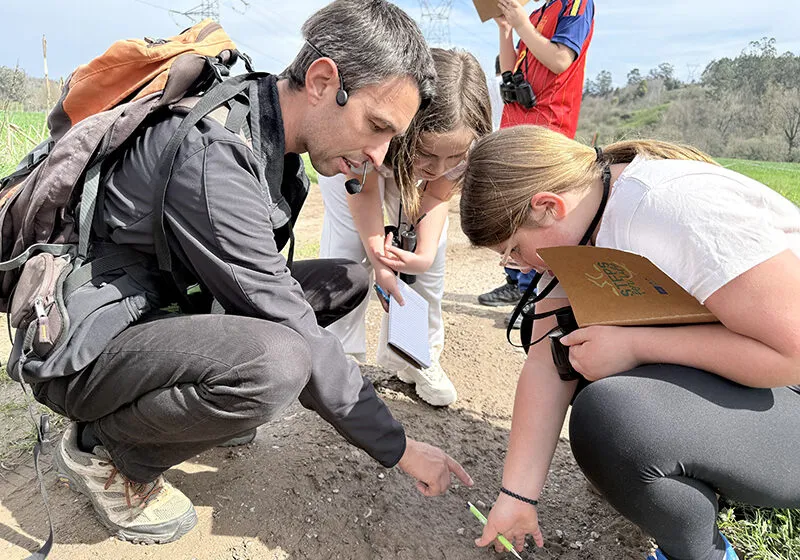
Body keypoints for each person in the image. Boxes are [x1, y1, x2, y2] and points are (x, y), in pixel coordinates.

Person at [28, 0, 473, 545]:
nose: (380, 156)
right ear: (322, 79)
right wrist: (398, 447)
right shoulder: (211, 155)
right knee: (279, 362)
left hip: (158, 310)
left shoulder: (264, 127)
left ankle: (195, 409)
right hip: (86, 349)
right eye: (376, 127)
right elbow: (286, 317)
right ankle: (107, 453)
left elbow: (265, 285)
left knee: (347, 280)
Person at [459, 125, 800, 560]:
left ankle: (700, 552)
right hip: (765, 390)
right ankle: (673, 476)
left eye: (513, 249)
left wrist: (636, 346)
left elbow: (794, 352)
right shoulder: (587, 218)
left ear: (547, 206)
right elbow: (549, 361)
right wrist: (517, 497)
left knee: (613, 415)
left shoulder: (669, 209)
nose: (516, 266)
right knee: (576, 349)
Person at [318, 47, 492, 407]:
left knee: (427, 267)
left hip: (404, 172)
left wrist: (422, 256)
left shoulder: (462, 145)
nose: (438, 166)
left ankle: (414, 356)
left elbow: (438, 192)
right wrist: (380, 262)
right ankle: (338, 358)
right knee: (349, 253)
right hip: (359, 168)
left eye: (454, 156)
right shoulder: (377, 126)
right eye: (427, 152)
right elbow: (364, 193)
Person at [477, 0, 595, 326]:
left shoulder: (577, 5)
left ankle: (534, 298)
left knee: (533, 214)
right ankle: (515, 285)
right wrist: (506, 28)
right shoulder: (537, 13)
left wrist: (520, 23)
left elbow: (560, 59)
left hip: (547, 126)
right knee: (509, 211)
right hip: (517, 121)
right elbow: (509, 69)